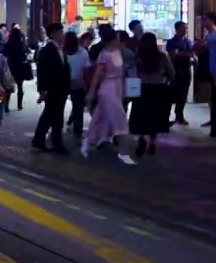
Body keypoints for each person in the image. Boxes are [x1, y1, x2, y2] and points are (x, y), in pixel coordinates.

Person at [84, 26, 134, 164]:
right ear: (112, 40)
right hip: (108, 88)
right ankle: (123, 151)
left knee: (102, 117)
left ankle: (94, 141)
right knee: (119, 117)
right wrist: (91, 92)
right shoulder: (104, 54)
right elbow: (97, 75)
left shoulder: (118, 52)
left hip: (117, 87)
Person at [129, 32, 173, 157]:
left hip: (142, 89)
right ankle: (153, 142)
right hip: (158, 89)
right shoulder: (162, 56)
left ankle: (142, 138)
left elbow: (133, 74)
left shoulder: (138, 57)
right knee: (155, 117)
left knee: (141, 116)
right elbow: (171, 72)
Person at [31, 22, 71, 154]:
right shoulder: (48, 50)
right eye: (60, 33)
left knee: (53, 116)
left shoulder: (60, 49)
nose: (62, 35)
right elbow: (43, 72)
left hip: (60, 89)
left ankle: (45, 140)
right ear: (53, 34)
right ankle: (52, 142)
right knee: (52, 116)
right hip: (53, 90)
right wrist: (43, 90)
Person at [165, 21, 194, 126]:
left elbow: (193, 55)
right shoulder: (171, 42)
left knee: (184, 94)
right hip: (175, 70)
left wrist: (193, 58)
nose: (185, 30)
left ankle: (179, 115)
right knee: (172, 94)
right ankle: (166, 118)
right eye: (183, 28)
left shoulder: (188, 42)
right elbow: (173, 55)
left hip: (186, 70)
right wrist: (188, 53)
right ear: (177, 29)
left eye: (186, 28)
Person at [64, 31, 92, 138]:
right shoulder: (83, 53)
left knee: (58, 108)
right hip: (78, 83)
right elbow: (86, 71)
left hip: (63, 83)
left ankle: (55, 129)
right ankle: (77, 131)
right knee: (78, 109)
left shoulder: (62, 52)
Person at [3, 28, 32, 111]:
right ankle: (19, 105)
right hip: (20, 67)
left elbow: (5, 53)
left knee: (8, 87)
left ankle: (6, 105)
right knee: (20, 86)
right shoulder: (21, 45)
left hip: (10, 67)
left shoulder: (8, 44)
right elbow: (25, 55)